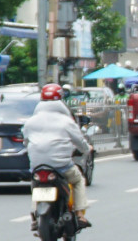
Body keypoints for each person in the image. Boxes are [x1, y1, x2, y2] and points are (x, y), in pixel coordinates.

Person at [25, 84, 92, 227]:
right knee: (78, 179)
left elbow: (25, 141)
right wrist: (87, 149)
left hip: (37, 165)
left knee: (35, 183)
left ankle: (34, 213)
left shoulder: (30, 122)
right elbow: (80, 141)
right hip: (61, 166)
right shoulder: (66, 121)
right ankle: (80, 214)